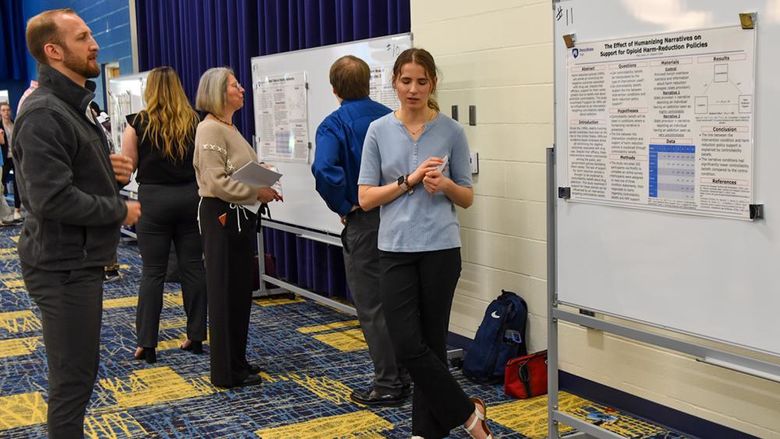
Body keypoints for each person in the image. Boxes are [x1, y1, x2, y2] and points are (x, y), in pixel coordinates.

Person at [13, 9, 140, 437]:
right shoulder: (44, 113)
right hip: (60, 265)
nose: (95, 44)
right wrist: (120, 211)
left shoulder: (73, 106)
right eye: (83, 37)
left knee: (78, 375)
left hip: (76, 260)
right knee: (73, 380)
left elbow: (68, 170)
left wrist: (108, 170)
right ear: (53, 51)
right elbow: (51, 198)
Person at [357, 48, 492, 439]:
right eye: (405, 81)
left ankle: (425, 432)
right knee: (405, 343)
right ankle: (469, 414)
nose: (413, 89)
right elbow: (365, 198)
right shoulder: (378, 130)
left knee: (431, 344)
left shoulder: (451, 131)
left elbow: (466, 196)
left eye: (421, 81)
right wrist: (410, 180)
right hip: (394, 249)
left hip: (440, 250)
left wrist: (446, 185)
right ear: (394, 82)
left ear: (432, 83)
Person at [311, 55, 410, 407]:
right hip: (402, 216)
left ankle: (387, 384)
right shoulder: (392, 118)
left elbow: (324, 168)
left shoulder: (333, 125)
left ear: (334, 89)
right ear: (370, 83)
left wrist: (347, 203)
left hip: (365, 223)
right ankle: (406, 374)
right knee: (402, 302)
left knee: (372, 306)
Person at [193, 67, 281, 388]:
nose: (241, 89)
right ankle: (225, 373)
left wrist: (263, 180)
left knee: (239, 293)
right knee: (225, 293)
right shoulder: (210, 129)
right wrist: (256, 190)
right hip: (222, 215)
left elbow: (238, 171)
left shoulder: (228, 126)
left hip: (239, 215)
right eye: (234, 85)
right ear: (219, 92)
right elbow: (216, 182)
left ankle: (237, 361)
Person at [121, 66, 207, 364]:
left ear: (151, 90)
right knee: (193, 268)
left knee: (153, 272)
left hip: (153, 201)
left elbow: (127, 166)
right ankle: (196, 336)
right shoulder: (196, 120)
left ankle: (147, 344)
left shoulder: (137, 123)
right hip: (190, 198)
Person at [0, 103, 22, 220]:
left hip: (15, 158)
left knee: (18, 182)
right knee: (1, 184)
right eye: (3, 110)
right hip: (4, 160)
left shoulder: (15, 124)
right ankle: (3, 211)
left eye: (8, 110)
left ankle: (17, 209)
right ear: (0, 112)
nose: (6, 112)